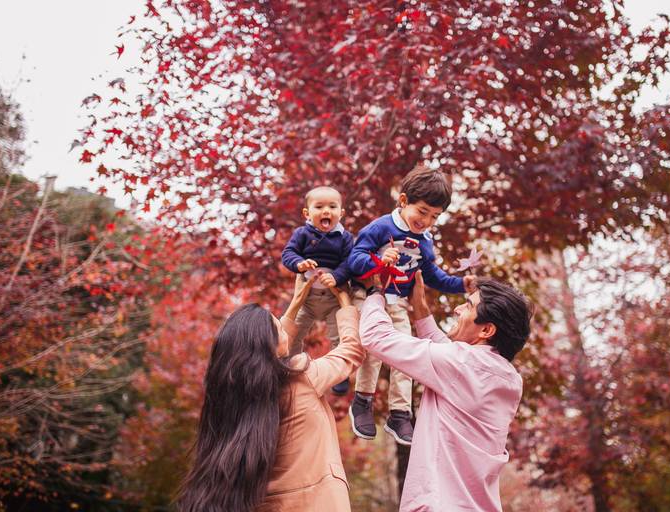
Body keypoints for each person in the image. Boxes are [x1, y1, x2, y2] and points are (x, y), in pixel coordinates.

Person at [175, 274, 363, 512]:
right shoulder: (302, 376)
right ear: (267, 342)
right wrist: (346, 305)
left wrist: (296, 303)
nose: (280, 326)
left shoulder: (238, 398)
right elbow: (351, 352)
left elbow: (269, 352)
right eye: (275, 325)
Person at [359, 272, 533, 511]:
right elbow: (449, 359)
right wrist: (419, 306)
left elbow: (375, 337)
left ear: (486, 331)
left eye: (468, 306)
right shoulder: (511, 381)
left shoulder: (458, 365)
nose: (457, 310)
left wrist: (374, 293)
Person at [347, 165, 475, 445]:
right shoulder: (381, 228)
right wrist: (379, 262)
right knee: (374, 351)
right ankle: (362, 401)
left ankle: (400, 412)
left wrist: (460, 284)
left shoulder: (425, 241)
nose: (426, 221)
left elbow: (432, 276)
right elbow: (353, 260)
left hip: (398, 302)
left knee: (406, 352)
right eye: (422, 211)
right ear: (403, 201)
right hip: (370, 295)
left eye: (434, 216)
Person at [281, 185, 354, 394]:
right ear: (307, 213)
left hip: (333, 298)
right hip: (308, 298)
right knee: (295, 331)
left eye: (332, 206)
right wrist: (299, 264)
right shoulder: (302, 234)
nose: (326, 211)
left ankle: (340, 373)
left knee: (338, 334)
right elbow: (288, 253)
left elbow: (350, 262)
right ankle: (289, 365)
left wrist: (338, 276)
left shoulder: (344, 238)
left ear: (341, 213)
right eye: (319, 206)